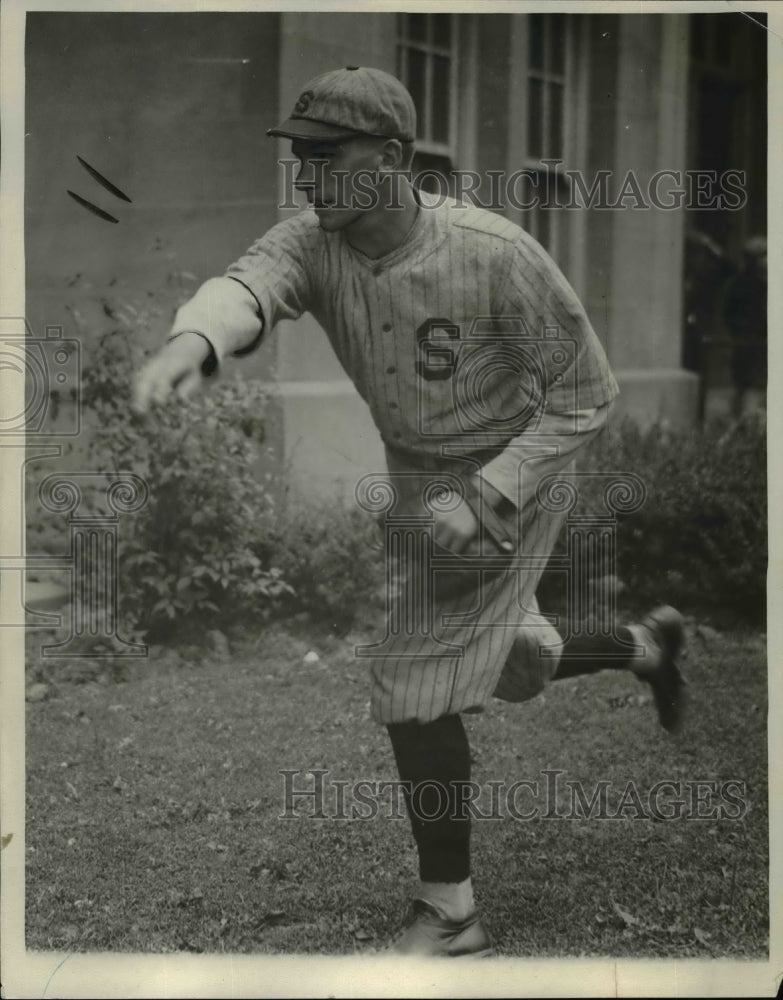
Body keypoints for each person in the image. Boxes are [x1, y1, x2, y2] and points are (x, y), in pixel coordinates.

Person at [133, 67, 686, 957]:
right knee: (508, 655)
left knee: (411, 673)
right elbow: (247, 288)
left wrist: (488, 491)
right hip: (423, 485)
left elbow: (586, 395)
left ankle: (451, 912)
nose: (305, 180)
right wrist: (191, 342)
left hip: (516, 469)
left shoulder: (494, 252)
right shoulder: (315, 241)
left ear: (391, 158)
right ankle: (643, 645)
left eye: (325, 156)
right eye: (299, 159)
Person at [722, 235, 767, 417]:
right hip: (751, 344)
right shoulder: (745, 284)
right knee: (750, 388)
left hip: (753, 343)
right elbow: (731, 315)